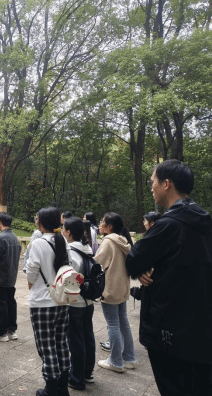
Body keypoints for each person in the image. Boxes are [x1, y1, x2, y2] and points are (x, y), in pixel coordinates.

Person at [126, 159, 212, 396]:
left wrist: (143, 267)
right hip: (202, 329)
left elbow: (134, 260)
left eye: (152, 181)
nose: (151, 187)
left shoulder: (168, 225)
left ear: (166, 184)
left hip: (169, 329)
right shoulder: (206, 223)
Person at [25, 207, 71, 396]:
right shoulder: (63, 241)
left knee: (46, 346)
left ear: (41, 223)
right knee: (61, 343)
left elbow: (31, 270)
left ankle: (50, 388)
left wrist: (30, 285)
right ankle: (63, 386)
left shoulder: (38, 243)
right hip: (62, 300)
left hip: (42, 303)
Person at [94, 212, 135, 374]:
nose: (100, 224)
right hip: (122, 288)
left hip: (110, 289)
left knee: (113, 324)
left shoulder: (108, 241)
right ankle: (129, 358)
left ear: (109, 226)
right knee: (123, 322)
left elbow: (98, 263)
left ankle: (116, 362)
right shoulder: (123, 240)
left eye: (102, 222)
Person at [62, 217, 96, 390]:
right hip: (88, 301)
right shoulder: (87, 248)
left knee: (76, 340)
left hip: (76, 303)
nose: (62, 231)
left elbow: (71, 280)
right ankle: (88, 372)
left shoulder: (71, 252)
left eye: (63, 228)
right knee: (88, 336)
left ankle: (77, 378)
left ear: (68, 232)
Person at [0, 212, 21, 341]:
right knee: (11, 303)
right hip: (11, 277)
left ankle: (1, 332)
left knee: (1, 305)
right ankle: (11, 330)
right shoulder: (14, 238)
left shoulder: (0, 239)